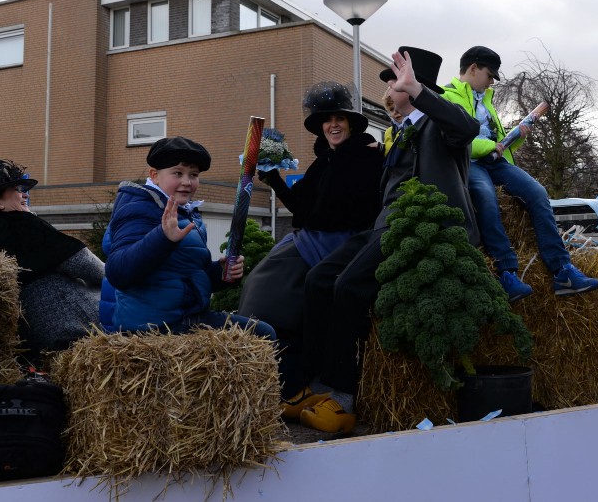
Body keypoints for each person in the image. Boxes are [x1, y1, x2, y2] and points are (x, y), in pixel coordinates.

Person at [299, 46, 480, 434]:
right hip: (384, 224)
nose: (389, 92)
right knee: (318, 279)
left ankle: (342, 396)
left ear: (416, 88)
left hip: (424, 227)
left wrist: (419, 90)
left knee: (349, 286)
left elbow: (468, 129)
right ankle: (315, 381)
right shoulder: (396, 133)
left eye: (395, 84)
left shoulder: (440, 124)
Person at [238, 81, 382, 415]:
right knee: (259, 283)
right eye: (325, 119)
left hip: (343, 243)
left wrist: (383, 147)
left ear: (350, 122)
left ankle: (305, 376)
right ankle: (269, 370)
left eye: (339, 118)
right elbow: (303, 208)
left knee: (270, 289)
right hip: (308, 238)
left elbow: (357, 209)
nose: (333, 124)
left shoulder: (367, 156)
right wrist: (273, 180)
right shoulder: (323, 163)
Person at [441, 46, 598, 301]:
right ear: (473, 69)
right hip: (470, 162)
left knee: (538, 193)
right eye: (489, 75)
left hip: (496, 161)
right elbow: (455, 140)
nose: (492, 81)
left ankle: (562, 270)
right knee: (486, 199)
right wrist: (491, 146)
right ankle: (506, 273)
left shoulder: (486, 100)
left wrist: (515, 138)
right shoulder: (446, 98)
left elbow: (497, 141)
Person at [100, 136, 275, 339]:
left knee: (260, 333)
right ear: (155, 176)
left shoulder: (186, 213)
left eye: (193, 175)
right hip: (155, 325)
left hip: (186, 317)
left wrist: (220, 272)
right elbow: (118, 273)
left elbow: (186, 276)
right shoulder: (139, 208)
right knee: (261, 334)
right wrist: (163, 238)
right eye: (178, 173)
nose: (187, 182)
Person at [0, 159, 103, 358]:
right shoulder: (24, 226)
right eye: (17, 189)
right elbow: (90, 267)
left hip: (38, 341)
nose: (24, 194)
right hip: (79, 328)